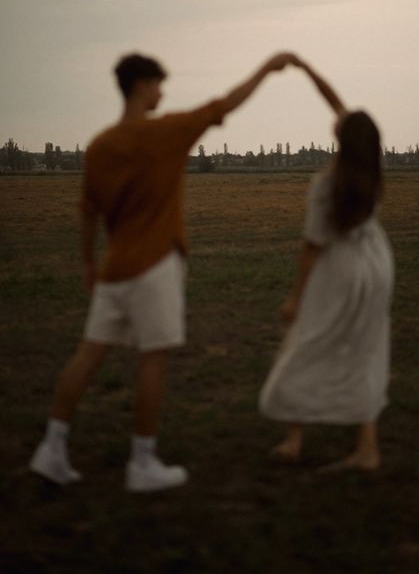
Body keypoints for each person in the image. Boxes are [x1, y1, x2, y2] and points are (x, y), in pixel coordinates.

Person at [30, 50, 297, 492]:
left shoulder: (99, 146)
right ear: (141, 85)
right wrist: (268, 68)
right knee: (153, 359)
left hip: (114, 268)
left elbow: (87, 214)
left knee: (88, 354)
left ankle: (51, 448)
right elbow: (227, 103)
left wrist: (88, 264)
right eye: (158, 83)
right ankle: (142, 460)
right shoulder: (167, 133)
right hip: (155, 266)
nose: (163, 91)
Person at [259, 60, 394, 472]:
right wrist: (306, 70)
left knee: (307, 342)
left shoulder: (327, 184)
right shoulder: (370, 168)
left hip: (341, 268)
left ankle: (295, 439)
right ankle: (367, 447)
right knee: (366, 348)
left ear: (341, 137)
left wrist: (295, 299)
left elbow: (311, 249)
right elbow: (339, 105)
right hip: (378, 263)